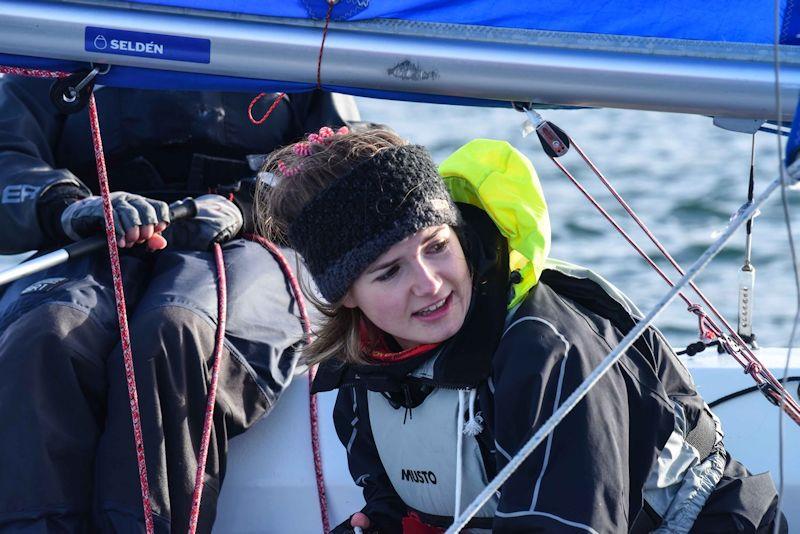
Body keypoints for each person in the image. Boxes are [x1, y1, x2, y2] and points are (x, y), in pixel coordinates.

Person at [257, 128, 786, 533]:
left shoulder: (549, 354)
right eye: (389, 271)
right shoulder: (363, 374)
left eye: (436, 246)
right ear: (346, 293)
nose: (429, 282)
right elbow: (398, 503)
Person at [0, 75, 355, 532]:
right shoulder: (59, 41)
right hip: (97, 235)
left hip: (250, 239)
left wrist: (249, 206)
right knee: (45, 334)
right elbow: (9, 155)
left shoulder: (296, 35)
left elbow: (344, 159)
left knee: (176, 330)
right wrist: (66, 206)